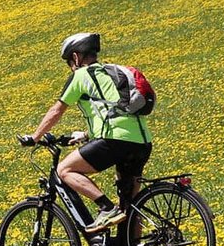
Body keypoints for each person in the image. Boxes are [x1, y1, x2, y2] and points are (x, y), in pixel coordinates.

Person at [20, 32, 151, 235]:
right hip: (142, 142)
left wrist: (35, 137)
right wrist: (87, 135)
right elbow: (114, 110)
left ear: (75, 57)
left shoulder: (81, 76)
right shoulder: (111, 73)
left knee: (64, 171)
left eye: (68, 62)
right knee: (130, 204)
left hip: (115, 141)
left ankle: (106, 207)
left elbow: (57, 110)